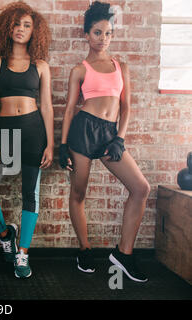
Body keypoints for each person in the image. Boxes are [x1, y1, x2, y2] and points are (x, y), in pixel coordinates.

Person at [59, 1, 150, 282]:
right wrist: (63, 146)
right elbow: (70, 108)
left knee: (140, 188)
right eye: (97, 33)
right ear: (87, 34)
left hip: (110, 134)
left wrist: (119, 139)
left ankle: (123, 253)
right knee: (79, 193)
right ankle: (85, 249)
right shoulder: (80, 69)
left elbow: (127, 107)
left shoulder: (121, 66)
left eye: (108, 33)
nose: (103, 38)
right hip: (83, 131)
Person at [0, 2, 54, 278]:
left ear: (35, 32)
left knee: (30, 194)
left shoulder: (41, 66)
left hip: (34, 131)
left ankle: (22, 253)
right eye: (17, 24)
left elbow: (46, 106)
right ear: (7, 27)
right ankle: (6, 233)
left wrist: (51, 143)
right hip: (5, 132)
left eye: (27, 25)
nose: (21, 29)